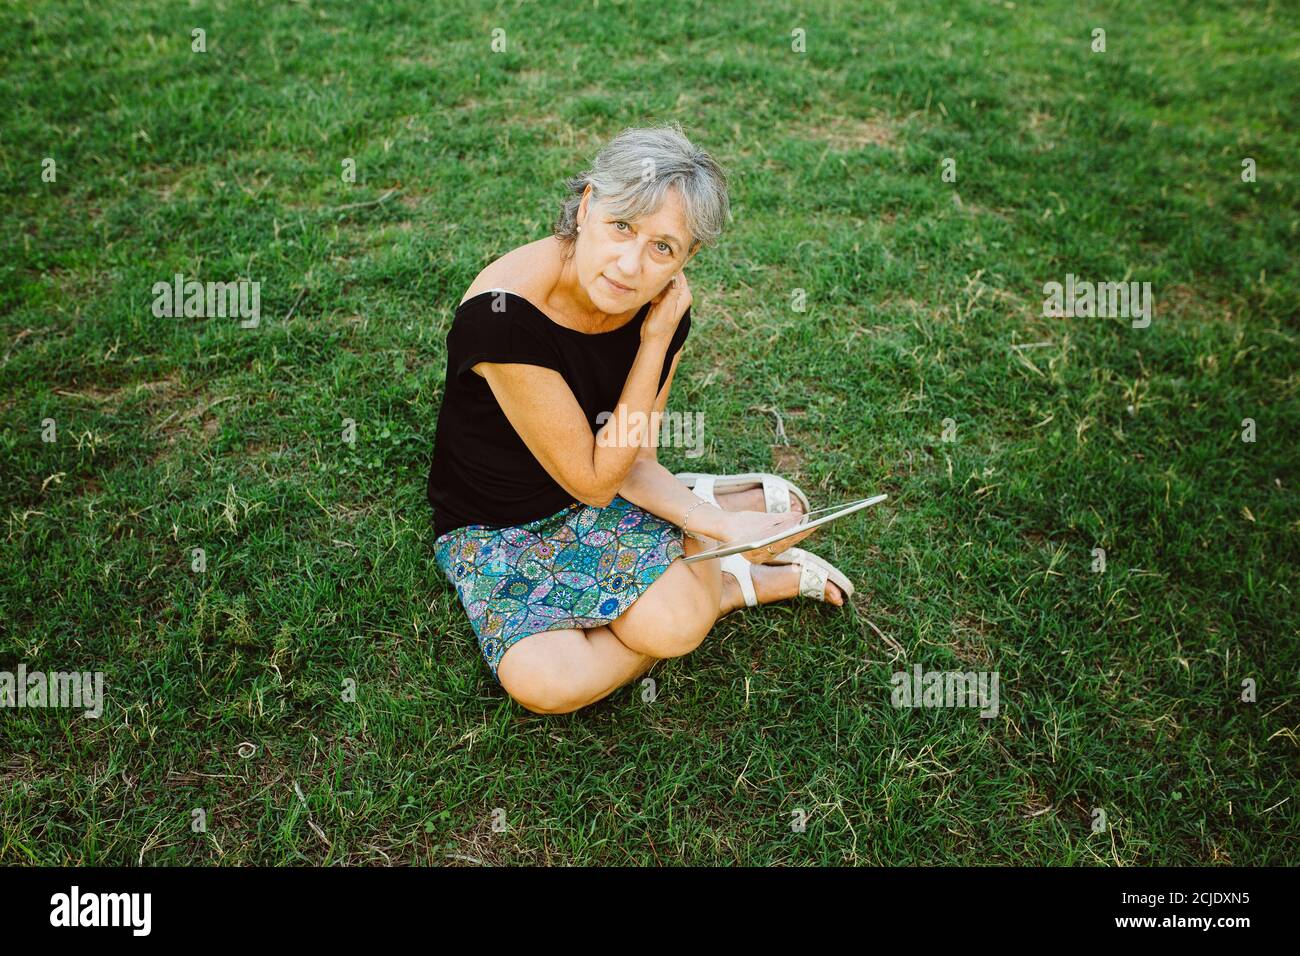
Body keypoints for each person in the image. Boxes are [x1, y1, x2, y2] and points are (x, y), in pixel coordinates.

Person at [427, 123, 849, 715]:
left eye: (663, 247)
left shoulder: (663, 304)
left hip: (601, 493)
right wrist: (652, 344)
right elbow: (596, 478)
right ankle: (726, 583)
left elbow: (632, 460)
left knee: (676, 625)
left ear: (687, 256)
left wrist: (658, 334)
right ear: (586, 205)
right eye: (622, 226)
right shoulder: (504, 317)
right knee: (546, 684)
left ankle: (702, 533)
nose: (629, 266)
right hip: (492, 524)